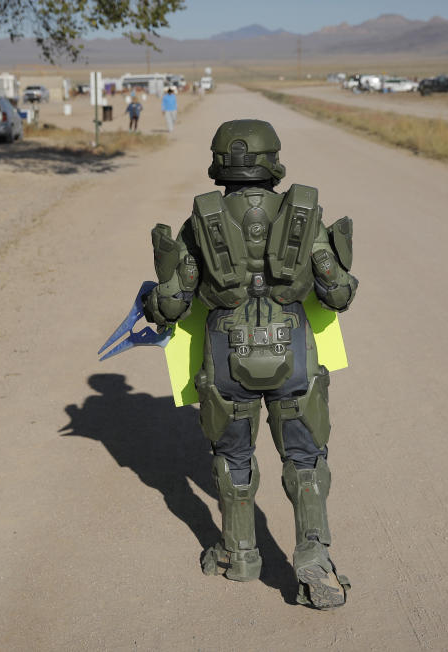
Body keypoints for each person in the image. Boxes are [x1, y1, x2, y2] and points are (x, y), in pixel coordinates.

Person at [141, 120, 358, 609]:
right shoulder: (304, 215)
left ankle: (240, 558)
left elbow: (173, 304)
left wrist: (153, 302)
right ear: (273, 161)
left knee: (232, 460)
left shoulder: (200, 222)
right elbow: (339, 293)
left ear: (221, 164)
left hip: (227, 358)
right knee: (305, 460)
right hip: (294, 356)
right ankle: (315, 561)